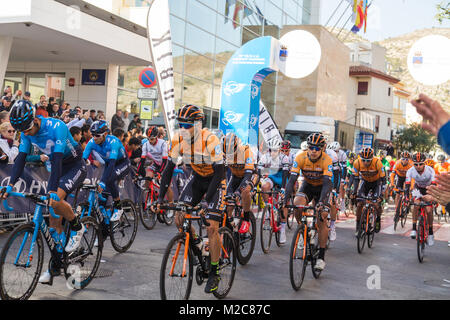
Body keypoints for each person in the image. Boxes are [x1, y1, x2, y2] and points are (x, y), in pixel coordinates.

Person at [2, 100, 87, 283]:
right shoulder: (25, 132)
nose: (24, 134)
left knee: (54, 201)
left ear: (35, 120)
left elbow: (56, 161)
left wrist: (51, 191)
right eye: (20, 131)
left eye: (26, 129)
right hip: (56, 166)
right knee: (54, 222)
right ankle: (57, 264)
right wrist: (10, 185)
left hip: (73, 165)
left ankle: (77, 226)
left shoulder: (57, 127)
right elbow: (20, 160)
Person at [153, 104, 225, 294]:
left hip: (215, 183)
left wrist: (206, 201)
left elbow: (219, 174)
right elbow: (168, 169)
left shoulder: (210, 139)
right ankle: (198, 245)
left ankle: (215, 271)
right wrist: (160, 197)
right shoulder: (177, 139)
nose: (183, 129)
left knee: (211, 227)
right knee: (179, 217)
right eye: (181, 125)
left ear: (198, 124)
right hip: (197, 179)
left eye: (187, 125)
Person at [283, 132, 333, 271]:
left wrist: (322, 202)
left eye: (317, 148)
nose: (314, 151)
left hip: (323, 188)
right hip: (308, 185)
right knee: (298, 204)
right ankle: (302, 230)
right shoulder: (300, 157)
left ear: (322, 149)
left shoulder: (326, 160)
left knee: (322, 217)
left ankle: (321, 257)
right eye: (311, 147)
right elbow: (292, 180)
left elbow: (327, 183)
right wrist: (285, 198)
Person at [83, 120, 131, 222]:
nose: (94, 138)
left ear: (105, 134)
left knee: (108, 180)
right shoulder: (92, 142)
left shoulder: (114, 142)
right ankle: (104, 225)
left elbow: (112, 164)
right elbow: (82, 160)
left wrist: (103, 182)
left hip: (122, 163)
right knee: (101, 200)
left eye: (97, 135)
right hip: (109, 164)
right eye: (93, 135)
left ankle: (118, 207)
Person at [223, 132, 258, 234]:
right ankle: (230, 225)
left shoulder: (247, 152)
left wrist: (238, 192)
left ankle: (246, 219)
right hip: (235, 176)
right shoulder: (222, 153)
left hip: (251, 176)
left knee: (244, 191)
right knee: (228, 202)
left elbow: (247, 176)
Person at [258, 138, 292, 244]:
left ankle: (282, 229)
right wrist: (259, 181)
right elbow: (259, 170)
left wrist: (283, 189)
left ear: (280, 150)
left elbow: (286, 174)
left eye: (275, 150)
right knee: (264, 187)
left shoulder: (284, 158)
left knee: (284, 204)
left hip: (282, 178)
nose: (273, 153)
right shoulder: (265, 157)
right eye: (271, 150)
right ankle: (269, 207)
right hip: (273, 177)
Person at [352, 147, 386, 235]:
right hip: (365, 182)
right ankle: (358, 226)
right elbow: (355, 179)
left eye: (368, 160)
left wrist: (381, 195)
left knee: (376, 204)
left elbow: (383, 180)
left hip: (376, 182)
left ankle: (378, 218)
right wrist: (354, 192)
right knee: (359, 204)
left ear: (372, 158)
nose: (365, 162)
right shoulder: (357, 163)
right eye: (363, 160)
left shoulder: (377, 162)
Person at [405, 152, 436, 245]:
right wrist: (407, 198)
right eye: (416, 164)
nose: (418, 166)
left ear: (424, 163)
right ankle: (414, 228)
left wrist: (432, 197)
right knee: (416, 205)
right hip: (418, 189)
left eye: (420, 164)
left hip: (429, 189)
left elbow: (434, 185)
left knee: (429, 209)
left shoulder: (430, 170)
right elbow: (407, 187)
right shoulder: (410, 171)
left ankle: (430, 233)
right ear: (413, 163)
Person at [137, 126, 172, 202]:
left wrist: (159, 172)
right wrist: (137, 173)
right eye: (148, 139)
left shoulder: (163, 144)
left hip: (165, 164)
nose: (150, 141)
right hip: (156, 164)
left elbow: (164, 160)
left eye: (152, 139)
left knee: (166, 186)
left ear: (156, 137)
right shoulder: (146, 145)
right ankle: (151, 198)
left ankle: (171, 205)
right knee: (147, 180)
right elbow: (142, 160)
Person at [390, 151, 413, 217]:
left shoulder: (411, 165)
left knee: (406, 189)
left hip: (407, 178)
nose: (405, 161)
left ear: (409, 160)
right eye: (403, 159)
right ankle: (397, 209)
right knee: (397, 193)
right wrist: (392, 183)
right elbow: (392, 174)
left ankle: (406, 203)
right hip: (399, 177)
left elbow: (413, 178)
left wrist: (411, 187)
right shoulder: (397, 163)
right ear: (401, 159)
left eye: (406, 159)